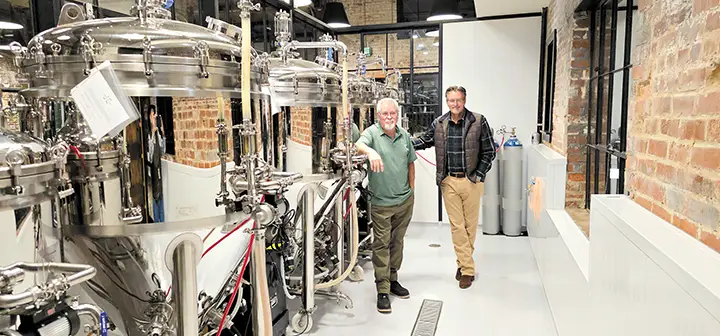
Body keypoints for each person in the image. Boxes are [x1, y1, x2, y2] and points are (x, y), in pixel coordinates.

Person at [412, 86, 496, 289]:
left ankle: (462, 262)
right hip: (449, 181)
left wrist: (479, 175)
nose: (455, 104)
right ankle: (467, 269)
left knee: (470, 226)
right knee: (457, 226)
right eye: (451, 100)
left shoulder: (478, 121)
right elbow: (424, 140)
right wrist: (399, 141)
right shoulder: (439, 123)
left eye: (458, 100)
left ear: (464, 100)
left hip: (471, 182)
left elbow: (489, 151)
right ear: (446, 101)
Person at [355, 97, 416, 314]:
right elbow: (358, 145)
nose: (389, 117)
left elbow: (410, 163)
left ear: (397, 115)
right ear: (378, 116)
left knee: (397, 243)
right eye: (384, 114)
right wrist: (371, 152)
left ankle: (393, 279)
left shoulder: (404, 135)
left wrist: (411, 190)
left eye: (392, 113)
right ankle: (382, 288)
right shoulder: (372, 133)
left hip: (404, 201)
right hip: (381, 203)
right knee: (381, 244)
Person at [147, 105, 166, 223]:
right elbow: (149, 156)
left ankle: (163, 222)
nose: (154, 117)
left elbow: (163, 151)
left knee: (162, 197)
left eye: (155, 115)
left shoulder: (158, 134)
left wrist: (162, 132)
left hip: (160, 171)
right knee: (154, 198)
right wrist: (153, 134)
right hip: (152, 174)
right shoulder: (147, 134)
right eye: (152, 115)